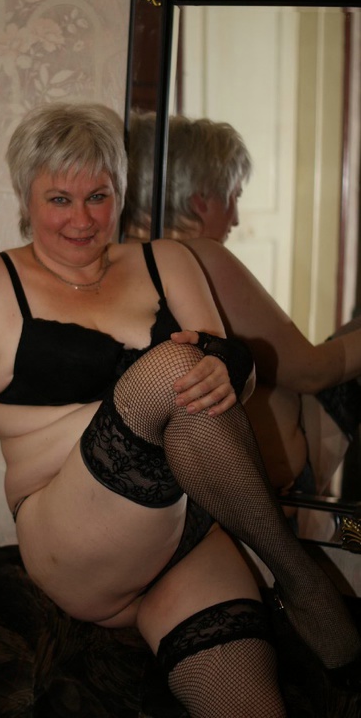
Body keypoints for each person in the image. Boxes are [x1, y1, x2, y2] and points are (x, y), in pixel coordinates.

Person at [0, 103, 361, 717]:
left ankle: (287, 586)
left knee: (248, 706)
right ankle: (297, 573)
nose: (82, 219)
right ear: (25, 197)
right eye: (60, 199)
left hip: (182, 535)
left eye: (98, 196)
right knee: (175, 366)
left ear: (120, 194)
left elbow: (231, 382)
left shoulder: (168, 261)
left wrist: (233, 368)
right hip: (72, 537)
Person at [124, 110, 361, 497]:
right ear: (201, 200)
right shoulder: (199, 257)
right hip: (268, 483)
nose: (235, 218)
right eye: (233, 196)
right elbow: (312, 372)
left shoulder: (121, 258)